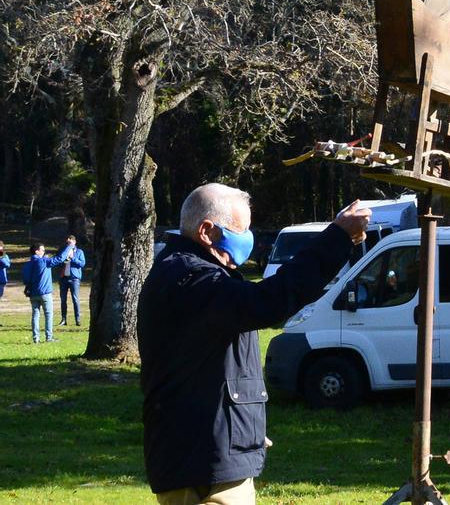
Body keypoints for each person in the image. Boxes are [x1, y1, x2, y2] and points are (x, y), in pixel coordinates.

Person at [138, 183, 370, 504]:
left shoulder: (193, 275)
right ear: (207, 231)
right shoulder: (190, 278)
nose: (249, 238)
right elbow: (268, 301)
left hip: (209, 461)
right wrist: (337, 237)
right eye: (241, 230)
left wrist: (243, 426)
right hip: (202, 470)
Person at [22, 242, 74, 343]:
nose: (44, 252)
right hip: (45, 293)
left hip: (33, 293)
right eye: (43, 250)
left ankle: (36, 338)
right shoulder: (44, 261)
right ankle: (49, 337)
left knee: (35, 315)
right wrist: (70, 246)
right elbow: (59, 259)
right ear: (37, 251)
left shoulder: (27, 264)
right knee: (48, 315)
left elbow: (26, 280)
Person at [56, 235, 86, 327]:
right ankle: (63, 319)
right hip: (64, 278)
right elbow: (57, 262)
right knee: (63, 299)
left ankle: (77, 319)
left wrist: (73, 258)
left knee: (75, 299)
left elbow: (82, 263)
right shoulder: (63, 251)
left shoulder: (79, 252)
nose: (69, 244)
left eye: (70, 242)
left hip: (74, 279)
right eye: (67, 242)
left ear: (74, 242)